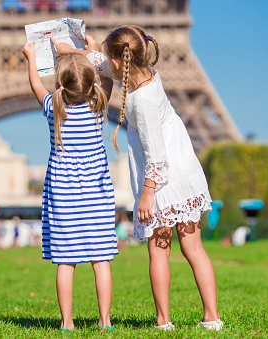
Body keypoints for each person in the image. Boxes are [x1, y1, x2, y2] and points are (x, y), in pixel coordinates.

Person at [51, 26, 222, 331]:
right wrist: (73, 51)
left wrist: (147, 195)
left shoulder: (141, 102)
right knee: (194, 248)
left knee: (159, 251)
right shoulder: (147, 75)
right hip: (187, 172)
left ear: (117, 61)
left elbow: (156, 157)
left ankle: (163, 320)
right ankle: (212, 317)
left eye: (107, 57)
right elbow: (103, 63)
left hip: (163, 182)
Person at [22, 42, 118, 333]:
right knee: (101, 260)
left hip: (63, 196)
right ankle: (105, 321)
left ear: (61, 86)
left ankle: (67, 322)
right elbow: (109, 76)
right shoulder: (98, 105)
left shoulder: (55, 108)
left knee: (66, 262)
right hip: (97, 195)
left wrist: (31, 57)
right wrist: (93, 49)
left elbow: (36, 85)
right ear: (92, 85)